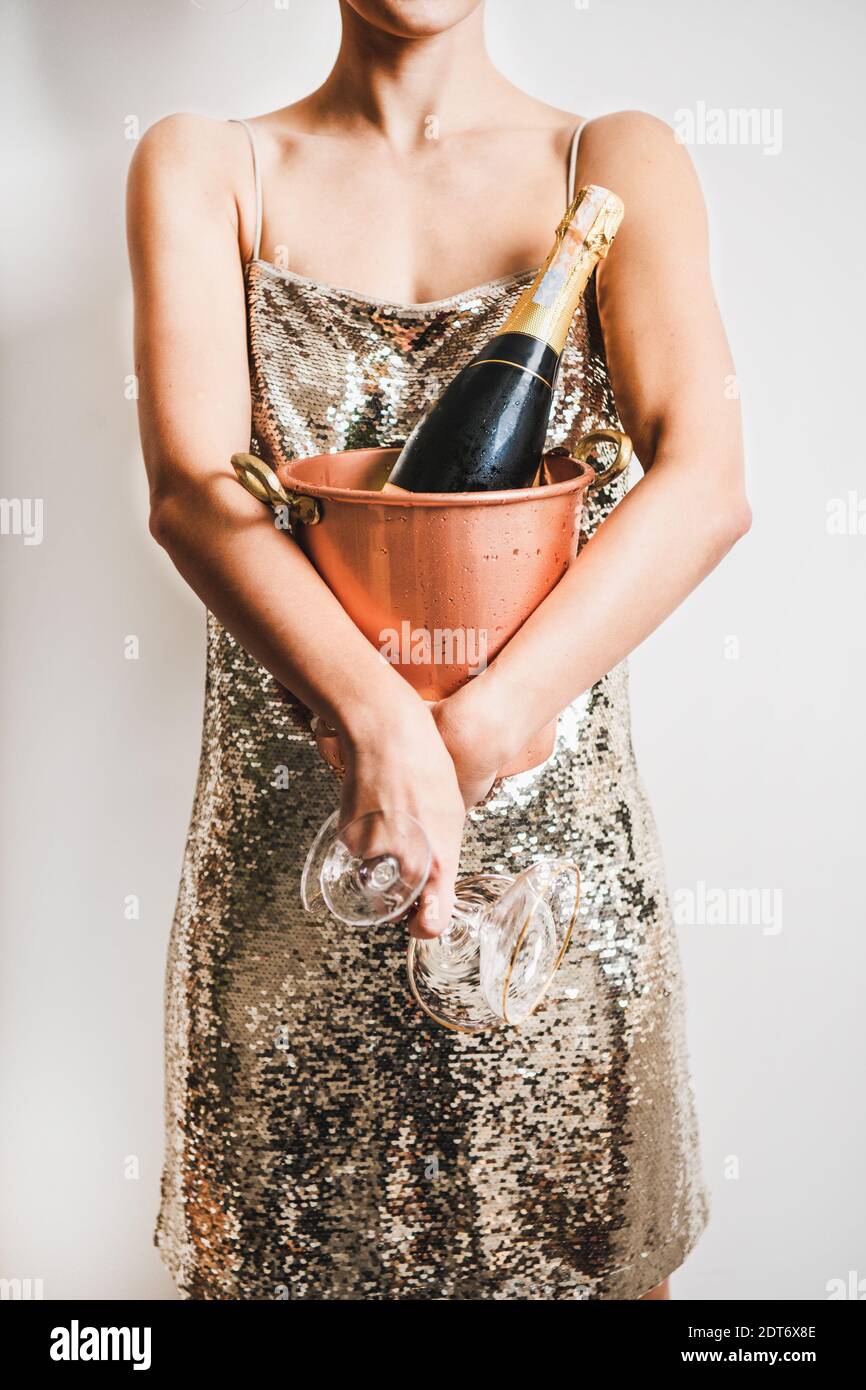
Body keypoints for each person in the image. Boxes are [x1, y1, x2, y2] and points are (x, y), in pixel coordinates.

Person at [127, 0, 750, 1300]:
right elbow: (195, 487)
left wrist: (468, 732)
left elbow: (703, 483)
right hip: (294, 882)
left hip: (551, 901)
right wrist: (375, 719)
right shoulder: (202, 163)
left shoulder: (612, 163)